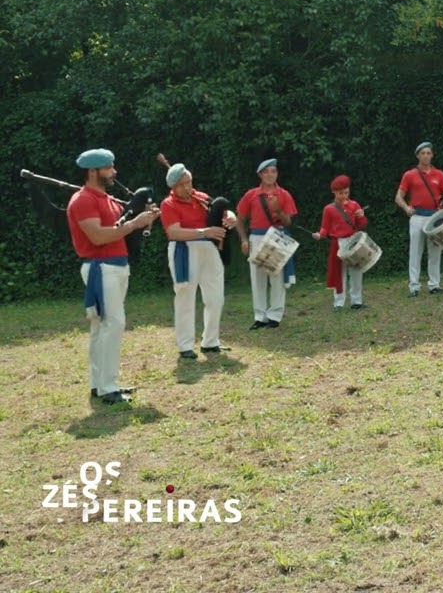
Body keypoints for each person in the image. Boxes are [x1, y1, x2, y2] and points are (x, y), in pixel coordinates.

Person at [66, 148, 159, 404]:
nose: (114, 172)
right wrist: (134, 223)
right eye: (108, 168)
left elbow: (124, 232)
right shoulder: (83, 200)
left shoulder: (106, 199)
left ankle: (100, 384)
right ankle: (108, 387)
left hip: (114, 266)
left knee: (101, 327)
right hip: (101, 267)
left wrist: (146, 220)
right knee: (113, 324)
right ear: (93, 171)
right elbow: (98, 236)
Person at [160, 163, 234, 361]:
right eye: (183, 184)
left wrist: (230, 217)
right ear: (173, 187)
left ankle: (210, 341)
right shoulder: (168, 204)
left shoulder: (200, 196)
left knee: (215, 295)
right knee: (185, 296)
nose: (187, 187)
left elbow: (223, 211)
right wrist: (204, 232)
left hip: (208, 248)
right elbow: (173, 231)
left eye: (189, 182)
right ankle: (185, 345)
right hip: (184, 249)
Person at [234, 159, 298, 329]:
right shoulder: (251, 195)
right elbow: (239, 219)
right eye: (267, 172)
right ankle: (259, 316)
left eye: (273, 171)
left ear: (277, 173)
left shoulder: (284, 194)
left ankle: (275, 315)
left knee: (276, 277)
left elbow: (288, 222)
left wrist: (277, 210)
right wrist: (244, 239)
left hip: (277, 236)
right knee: (257, 278)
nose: (270, 174)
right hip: (257, 237)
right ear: (260, 175)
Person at [395, 142, 443, 296]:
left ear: (432, 155)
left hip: (435, 217)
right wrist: (406, 208)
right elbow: (398, 197)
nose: (426, 156)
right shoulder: (409, 175)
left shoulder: (440, 175)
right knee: (415, 253)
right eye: (423, 153)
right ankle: (414, 287)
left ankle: (434, 285)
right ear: (417, 155)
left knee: (435, 252)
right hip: (417, 216)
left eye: (428, 153)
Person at [313, 175, 368, 310]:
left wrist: (361, 216)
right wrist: (320, 235)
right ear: (334, 193)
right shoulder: (329, 209)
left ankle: (356, 301)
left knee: (356, 270)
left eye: (346, 192)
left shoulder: (354, 205)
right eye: (340, 193)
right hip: (338, 242)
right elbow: (325, 227)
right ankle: (338, 302)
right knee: (339, 272)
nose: (343, 196)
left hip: (353, 240)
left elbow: (362, 224)